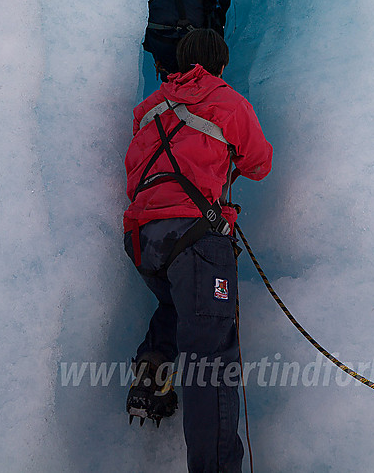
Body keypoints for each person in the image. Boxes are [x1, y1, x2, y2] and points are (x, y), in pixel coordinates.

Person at [123, 28, 272, 473]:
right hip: (198, 236)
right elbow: (259, 164)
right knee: (212, 359)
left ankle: (154, 367)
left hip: (145, 239)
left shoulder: (148, 109)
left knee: (179, 304)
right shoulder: (228, 102)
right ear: (221, 64)